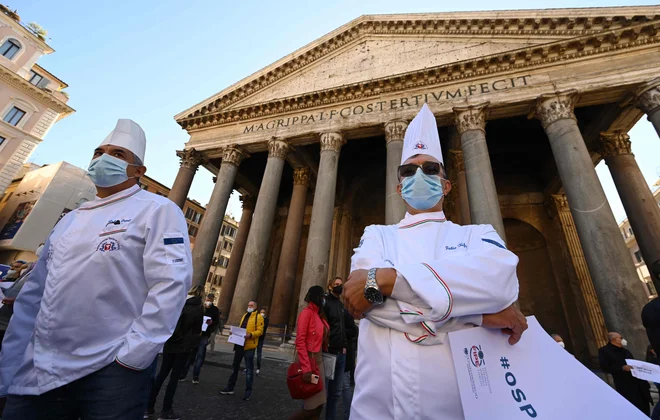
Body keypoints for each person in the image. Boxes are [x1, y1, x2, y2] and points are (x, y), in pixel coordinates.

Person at [342, 104, 526, 420]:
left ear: (445, 184)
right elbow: (364, 303)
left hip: (457, 410)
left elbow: (501, 285)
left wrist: (389, 281)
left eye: (430, 170)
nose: (419, 175)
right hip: (375, 409)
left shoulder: (478, 234)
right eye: (408, 171)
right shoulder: (377, 235)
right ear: (400, 188)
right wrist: (479, 317)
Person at [0, 119, 192, 420]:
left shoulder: (159, 209)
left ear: (139, 172)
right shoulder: (70, 219)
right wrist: (11, 360)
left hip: (110, 366)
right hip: (40, 365)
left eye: (118, 154)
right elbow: (36, 292)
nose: (103, 159)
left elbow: (171, 282)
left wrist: (134, 355)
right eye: (98, 152)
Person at [147, 285, 204, 420]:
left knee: (161, 375)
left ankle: (148, 407)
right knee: (173, 379)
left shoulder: (179, 302)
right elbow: (197, 331)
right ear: (201, 294)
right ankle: (166, 411)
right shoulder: (198, 308)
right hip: (183, 347)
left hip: (170, 344)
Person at [288, 286, 329, 420]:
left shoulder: (318, 314)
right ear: (317, 296)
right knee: (310, 407)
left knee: (319, 404)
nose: (324, 298)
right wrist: (306, 368)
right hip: (309, 360)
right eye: (322, 295)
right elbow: (300, 341)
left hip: (318, 361)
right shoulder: (307, 313)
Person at [219, 300, 264, 401]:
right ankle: (230, 388)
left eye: (251, 305)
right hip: (239, 344)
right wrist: (233, 333)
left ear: (256, 307)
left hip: (249, 346)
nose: (249, 306)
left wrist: (251, 335)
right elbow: (241, 329)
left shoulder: (258, 317)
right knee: (235, 367)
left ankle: (248, 392)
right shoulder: (244, 315)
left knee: (249, 370)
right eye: (248, 305)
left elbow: (260, 331)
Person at [598, 332, 652, 416]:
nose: (623, 340)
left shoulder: (626, 351)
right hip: (625, 385)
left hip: (638, 384)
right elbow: (605, 367)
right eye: (621, 338)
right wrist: (621, 368)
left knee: (644, 408)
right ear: (613, 340)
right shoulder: (605, 351)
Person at [180, 293, 220, 383]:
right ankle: (183, 374)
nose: (208, 301)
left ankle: (195, 376)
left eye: (210, 300)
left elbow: (216, 322)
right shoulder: (200, 308)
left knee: (200, 355)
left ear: (213, 300)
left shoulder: (215, 310)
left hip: (205, 335)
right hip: (195, 334)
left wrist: (212, 323)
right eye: (207, 300)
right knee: (190, 355)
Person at [323, 276, 347, 420]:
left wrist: (344, 345)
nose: (340, 286)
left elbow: (344, 327)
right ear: (330, 286)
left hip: (340, 352)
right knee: (320, 392)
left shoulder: (341, 304)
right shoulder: (326, 303)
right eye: (337, 284)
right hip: (328, 352)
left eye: (341, 284)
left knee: (335, 393)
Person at [342, 310, 358, 420]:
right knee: (345, 387)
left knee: (344, 387)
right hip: (346, 357)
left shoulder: (343, 313)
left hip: (344, 357)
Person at [256, 307, 269, 375]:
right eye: (261, 312)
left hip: (260, 338)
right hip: (255, 337)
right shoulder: (256, 318)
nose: (262, 313)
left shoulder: (266, 319)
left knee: (259, 353)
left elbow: (264, 328)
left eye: (263, 312)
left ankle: (258, 367)